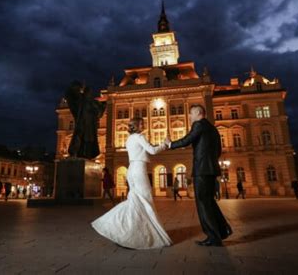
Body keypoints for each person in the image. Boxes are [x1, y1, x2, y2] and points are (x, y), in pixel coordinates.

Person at [92, 117, 172, 249]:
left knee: (135, 200)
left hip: (132, 170)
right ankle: (134, 231)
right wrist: (165, 144)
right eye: (142, 123)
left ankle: (127, 230)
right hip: (139, 169)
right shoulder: (140, 137)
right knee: (146, 200)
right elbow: (152, 151)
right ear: (137, 125)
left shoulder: (129, 139)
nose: (144, 125)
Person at [166, 104, 232, 247]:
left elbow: (187, 139)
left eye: (190, 113)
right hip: (211, 169)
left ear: (198, 112)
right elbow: (218, 150)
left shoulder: (199, 125)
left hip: (202, 170)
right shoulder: (213, 128)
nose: (189, 116)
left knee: (203, 203)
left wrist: (170, 144)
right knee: (209, 201)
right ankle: (223, 230)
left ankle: (213, 237)